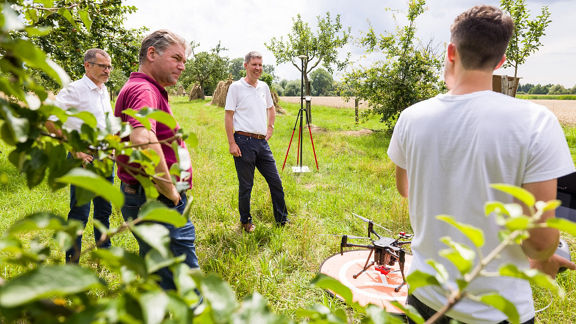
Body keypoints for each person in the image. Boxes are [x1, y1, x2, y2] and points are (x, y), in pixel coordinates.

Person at [387, 5, 576, 323]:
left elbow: (404, 188)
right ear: (501, 61)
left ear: (451, 51)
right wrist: (548, 257)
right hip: (497, 310)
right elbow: (541, 243)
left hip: (423, 297)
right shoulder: (536, 122)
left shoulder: (411, 117)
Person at [115, 30, 199, 289]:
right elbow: (143, 139)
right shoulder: (144, 89)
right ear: (152, 53)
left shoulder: (145, 88)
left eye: (183, 60)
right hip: (156, 199)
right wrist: (171, 192)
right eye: (176, 58)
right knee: (187, 281)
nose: (182, 66)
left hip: (143, 196)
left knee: (158, 273)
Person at [47, 48, 115, 263]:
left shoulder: (103, 89)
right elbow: (50, 121)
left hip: (106, 159)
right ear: (87, 65)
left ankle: (105, 254)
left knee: (104, 211)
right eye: (103, 66)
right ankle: (72, 263)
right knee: (79, 214)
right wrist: (74, 150)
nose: (108, 70)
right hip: (84, 161)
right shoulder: (74, 90)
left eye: (109, 66)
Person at [225, 51, 288, 233]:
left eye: (260, 65)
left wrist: (271, 127)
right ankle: (246, 221)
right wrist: (232, 143)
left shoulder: (264, 87)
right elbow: (228, 116)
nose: (258, 68)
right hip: (243, 141)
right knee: (246, 185)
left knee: (275, 181)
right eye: (254, 64)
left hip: (262, 143)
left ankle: (282, 220)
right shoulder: (236, 88)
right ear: (246, 66)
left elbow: (271, 108)